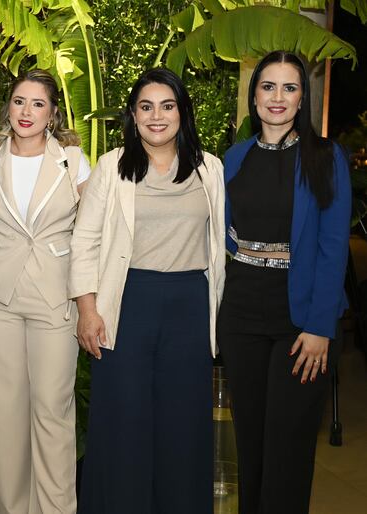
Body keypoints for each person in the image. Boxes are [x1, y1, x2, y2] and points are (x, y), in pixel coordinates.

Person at [69, 68, 225, 514]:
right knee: (124, 422)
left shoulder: (209, 169)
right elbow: (85, 241)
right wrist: (87, 310)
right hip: (126, 304)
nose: (157, 116)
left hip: (190, 308)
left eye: (167, 105)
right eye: (146, 106)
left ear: (182, 112)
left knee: (183, 427)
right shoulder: (112, 168)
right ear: (134, 116)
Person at [219, 50, 351, 514]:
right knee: (251, 444)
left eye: (289, 88)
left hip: (302, 322)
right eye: (268, 87)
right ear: (254, 97)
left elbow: (334, 247)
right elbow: (224, 236)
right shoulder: (233, 158)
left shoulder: (326, 157)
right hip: (241, 315)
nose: (278, 97)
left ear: (302, 99)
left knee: (287, 448)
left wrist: (319, 327)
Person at [0, 69, 90, 514]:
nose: (26, 112)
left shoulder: (75, 161)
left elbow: (92, 230)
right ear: (9, 106)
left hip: (55, 296)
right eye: (20, 101)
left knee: (52, 410)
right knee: (3, 413)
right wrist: (5, 248)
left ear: (52, 113)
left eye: (37, 104)